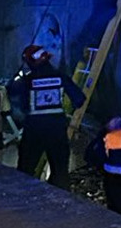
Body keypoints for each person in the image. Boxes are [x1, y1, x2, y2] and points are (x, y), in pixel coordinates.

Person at [7, 44, 85, 187]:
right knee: (60, 171)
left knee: (26, 168)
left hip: (34, 129)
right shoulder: (61, 77)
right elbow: (79, 100)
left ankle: (24, 196)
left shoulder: (27, 80)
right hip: (57, 129)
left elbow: (13, 96)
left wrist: (17, 78)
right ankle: (61, 198)